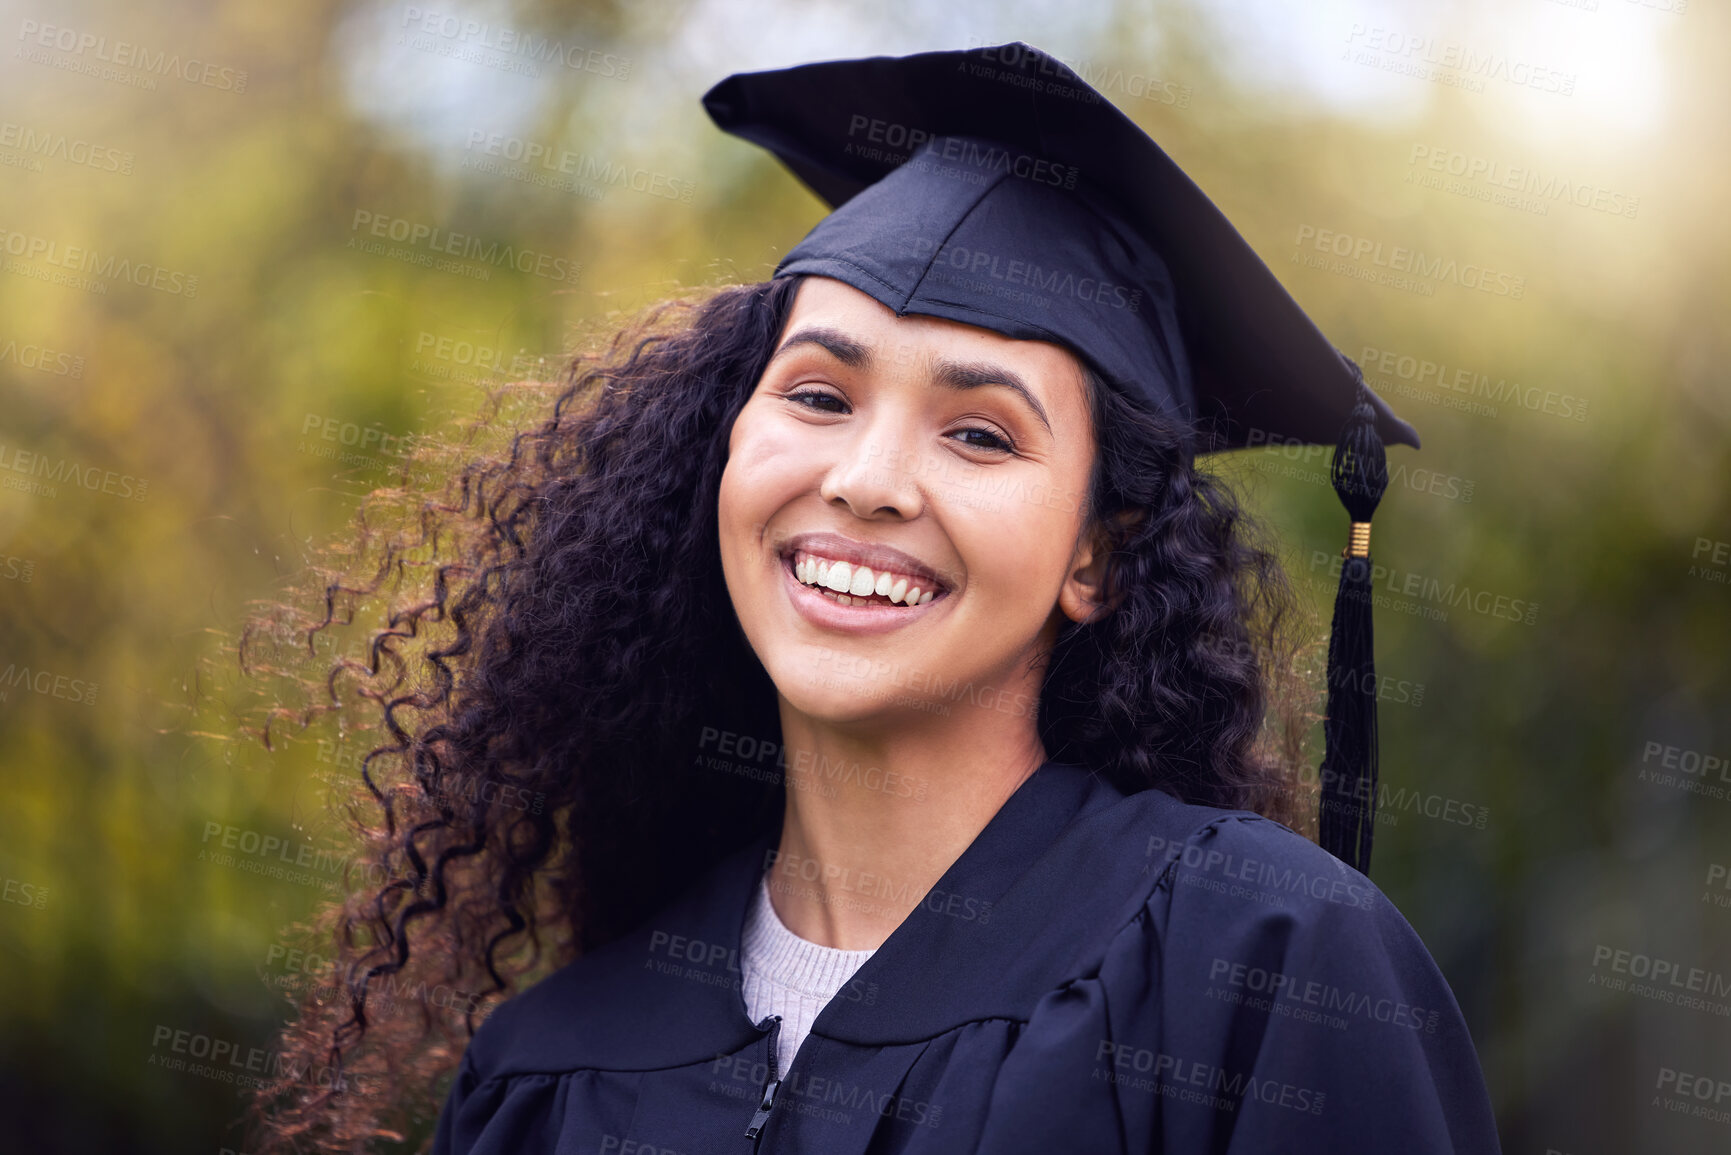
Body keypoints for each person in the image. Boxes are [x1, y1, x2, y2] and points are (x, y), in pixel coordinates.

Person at [243, 42, 1500, 1155]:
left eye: (982, 435)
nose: (867, 480)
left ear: (1098, 559)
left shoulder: (1261, 969)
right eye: (818, 395)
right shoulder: (549, 1071)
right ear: (723, 451)